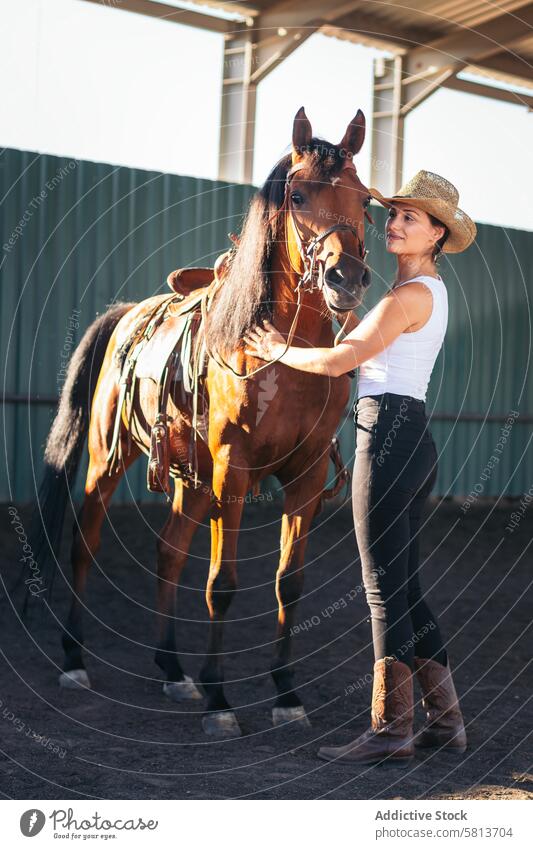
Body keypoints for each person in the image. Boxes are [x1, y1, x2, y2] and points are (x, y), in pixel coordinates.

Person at [243, 170, 476, 767]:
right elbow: (367, 348)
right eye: (393, 215)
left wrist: (275, 350)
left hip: (389, 440)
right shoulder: (418, 294)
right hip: (406, 436)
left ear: (436, 235)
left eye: (410, 219)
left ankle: (389, 729)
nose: (394, 224)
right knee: (406, 587)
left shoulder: (409, 297)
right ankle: (445, 724)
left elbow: (345, 358)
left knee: (381, 591)